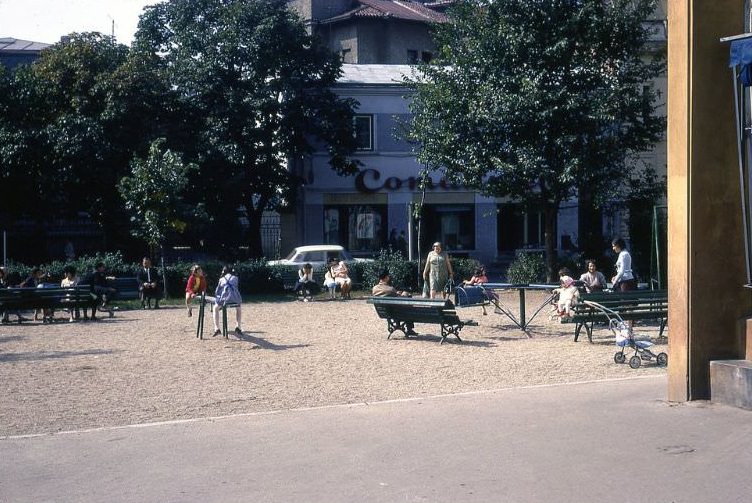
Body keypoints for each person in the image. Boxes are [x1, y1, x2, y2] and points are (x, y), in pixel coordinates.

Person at [372, 270, 417, 336]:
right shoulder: (390, 289)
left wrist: (396, 293)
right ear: (386, 277)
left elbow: (389, 294)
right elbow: (400, 299)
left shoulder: (374, 289)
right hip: (397, 312)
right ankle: (409, 329)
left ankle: (400, 325)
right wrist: (405, 294)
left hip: (386, 312)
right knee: (408, 301)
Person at [212, 265, 242, 336]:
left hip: (224, 300)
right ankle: (238, 326)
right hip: (235, 299)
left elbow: (217, 291)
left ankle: (217, 328)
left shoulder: (221, 279)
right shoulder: (235, 278)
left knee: (215, 308)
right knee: (239, 308)